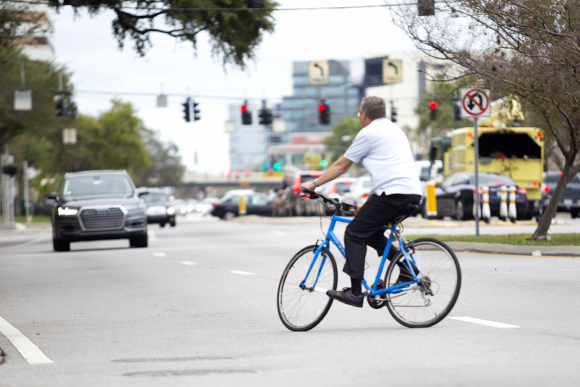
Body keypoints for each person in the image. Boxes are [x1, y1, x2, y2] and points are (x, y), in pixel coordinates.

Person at [300, 96, 422, 308]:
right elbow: (389, 169)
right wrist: (370, 201)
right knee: (371, 232)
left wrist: (314, 184)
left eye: (359, 114)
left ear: (364, 115)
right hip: (410, 193)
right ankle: (406, 268)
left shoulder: (368, 133)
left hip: (392, 194)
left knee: (354, 233)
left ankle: (355, 293)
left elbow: (341, 166)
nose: (359, 118)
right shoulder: (395, 130)